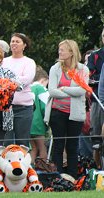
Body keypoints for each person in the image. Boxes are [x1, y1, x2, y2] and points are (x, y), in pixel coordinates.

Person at [44, 39, 89, 179]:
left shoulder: (83, 69)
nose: (59, 52)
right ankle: (57, 177)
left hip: (75, 114)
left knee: (72, 146)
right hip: (57, 112)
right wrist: (71, 91)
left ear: (71, 52)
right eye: (59, 49)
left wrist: (63, 88)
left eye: (62, 49)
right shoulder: (55, 68)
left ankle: (72, 178)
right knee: (58, 145)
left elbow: (82, 90)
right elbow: (52, 91)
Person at [1, 33, 36, 147]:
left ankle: (23, 165)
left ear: (24, 45)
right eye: (12, 41)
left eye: (17, 41)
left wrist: (7, 80)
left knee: (23, 142)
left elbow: (26, 80)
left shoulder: (29, 62)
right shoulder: (3, 61)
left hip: (24, 107)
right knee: (6, 142)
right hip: (5, 107)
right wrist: (14, 79)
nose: (14, 43)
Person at [87, 28, 104, 150]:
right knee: (96, 140)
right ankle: (98, 166)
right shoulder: (95, 55)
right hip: (98, 97)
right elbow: (89, 75)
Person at [29, 66, 49, 163]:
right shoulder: (41, 89)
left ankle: (30, 170)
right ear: (44, 80)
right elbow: (45, 107)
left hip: (28, 124)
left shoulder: (29, 88)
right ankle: (43, 169)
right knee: (42, 148)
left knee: (33, 149)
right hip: (38, 125)